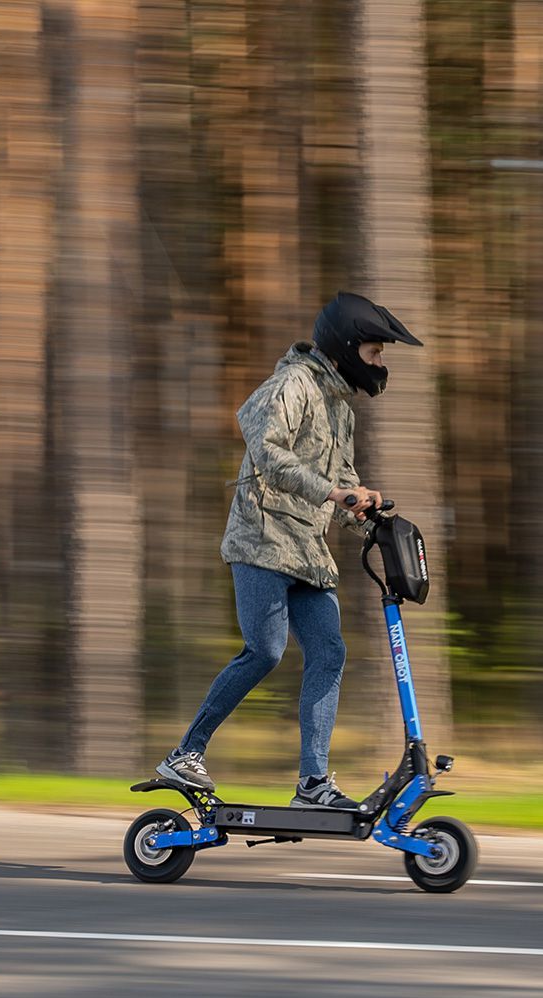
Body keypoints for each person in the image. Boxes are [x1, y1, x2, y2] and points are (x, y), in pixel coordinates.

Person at [156, 291, 423, 808]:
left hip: (305, 549)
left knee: (329, 652)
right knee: (266, 649)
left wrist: (360, 506)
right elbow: (268, 451)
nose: (380, 363)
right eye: (376, 352)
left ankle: (313, 784)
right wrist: (331, 491)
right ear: (347, 348)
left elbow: (340, 479)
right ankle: (185, 754)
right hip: (260, 540)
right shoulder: (291, 383)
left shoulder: (340, 406)